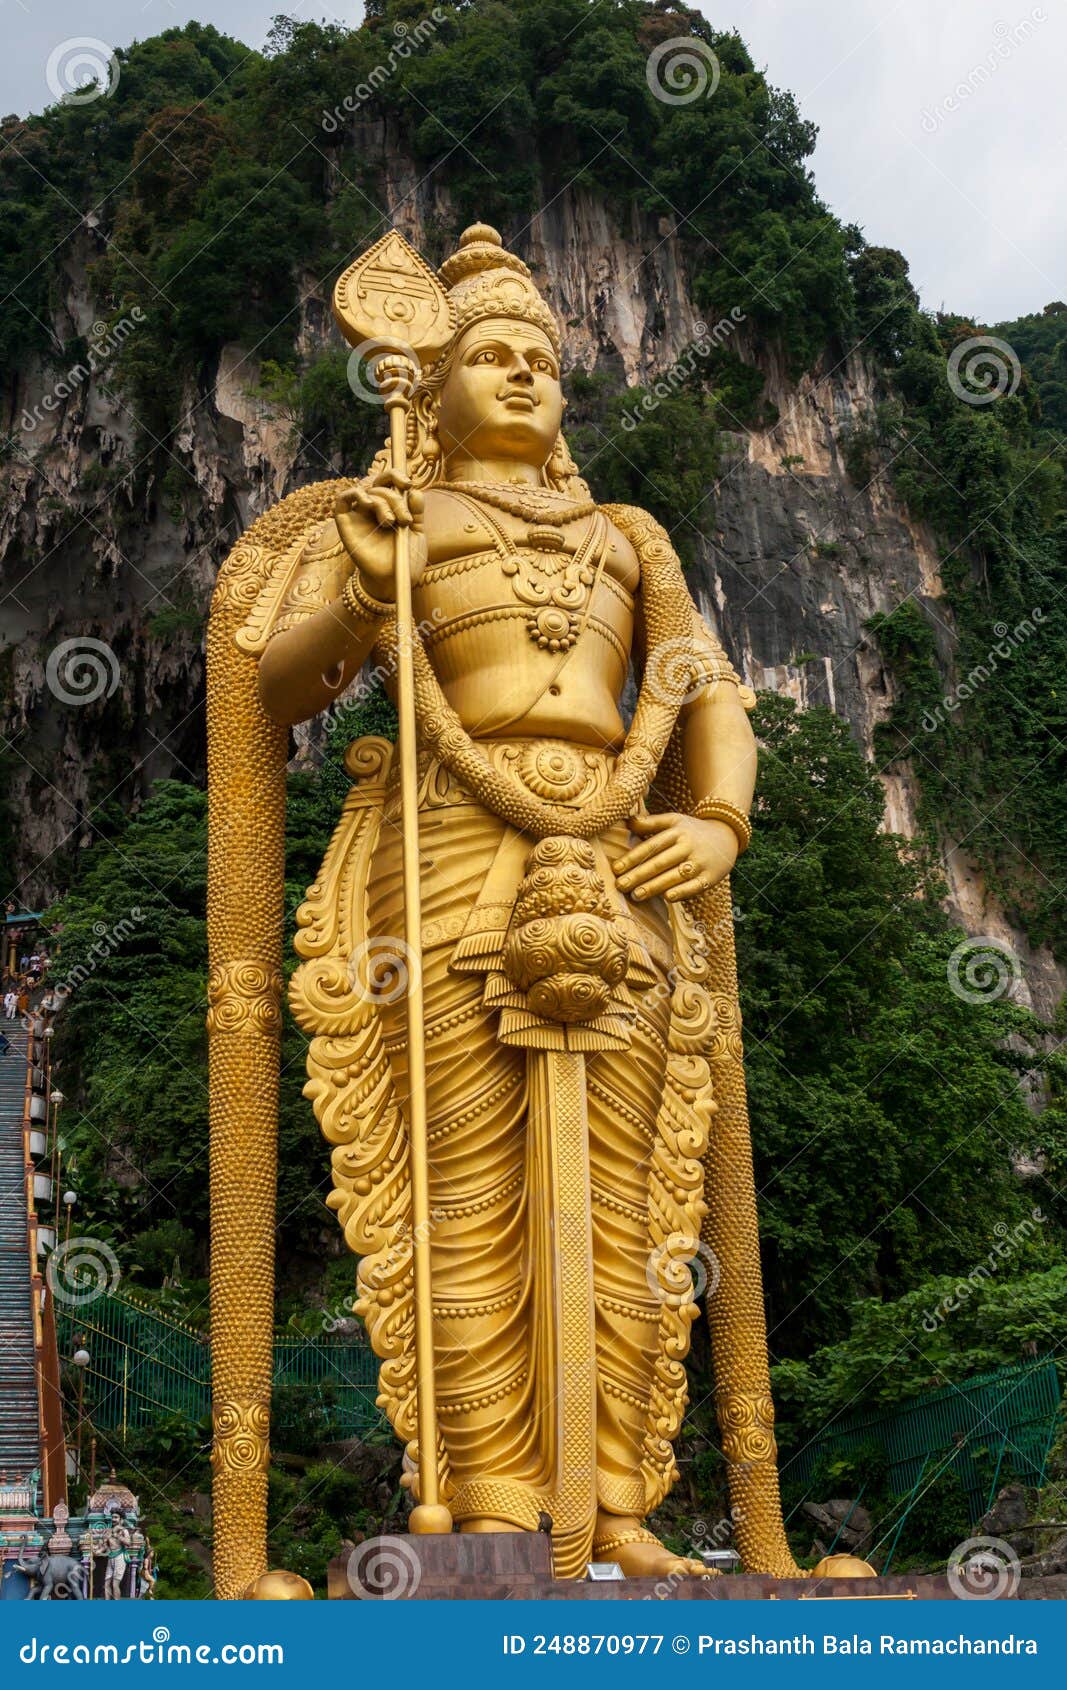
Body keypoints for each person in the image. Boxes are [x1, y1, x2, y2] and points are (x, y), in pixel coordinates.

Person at [223, 224, 794, 1582]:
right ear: (434, 380)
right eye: (489, 353)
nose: (523, 374)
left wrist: (717, 818)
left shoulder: (627, 536)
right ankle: (488, 1495)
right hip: (448, 857)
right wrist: (364, 584)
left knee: (630, 1188)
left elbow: (707, 688)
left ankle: (620, 1495)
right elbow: (277, 683)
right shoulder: (400, 517)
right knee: (468, 1185)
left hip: (620, 864)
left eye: (541, 356)